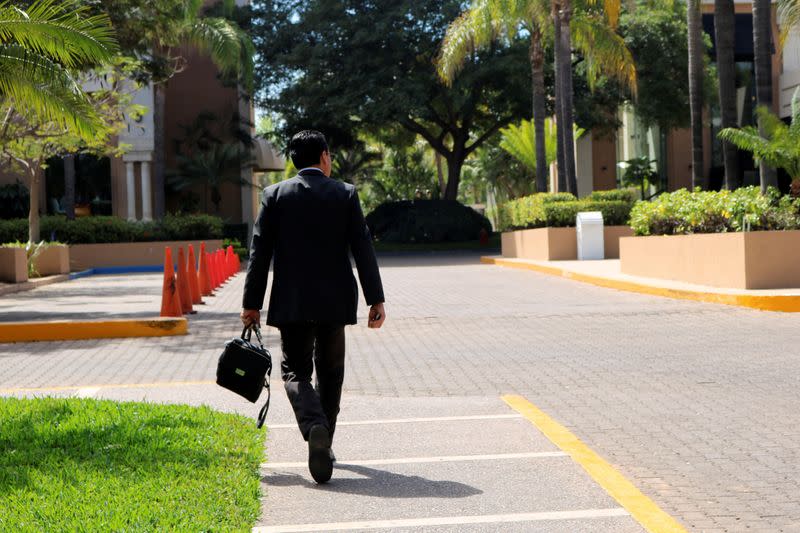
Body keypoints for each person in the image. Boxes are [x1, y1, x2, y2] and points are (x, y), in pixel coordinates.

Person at [240, 130, 386, 484]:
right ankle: (326, 441)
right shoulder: (345, 194)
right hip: (336, 300)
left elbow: (260, 253)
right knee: (331, 373)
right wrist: (375, 298)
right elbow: (362, 247)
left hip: (292, 300)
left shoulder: (275, 195)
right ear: (323, 156)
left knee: (294, 372)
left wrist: (251, 304)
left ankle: (315, 427)